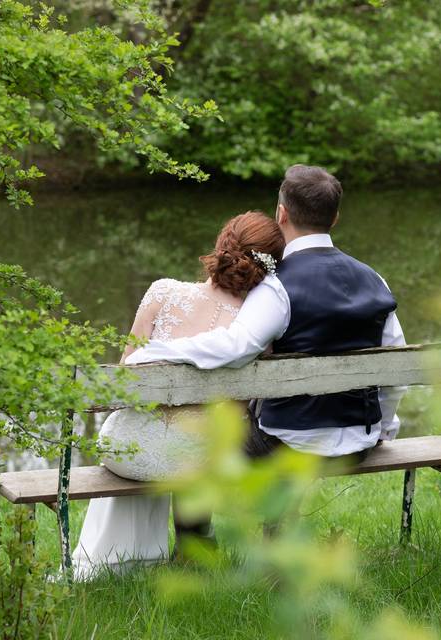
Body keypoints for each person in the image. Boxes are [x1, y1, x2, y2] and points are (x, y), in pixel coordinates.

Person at [126, 164, 406, 539]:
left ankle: (196, 554)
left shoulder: (277, 287)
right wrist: (382, 428)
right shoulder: (376, 280)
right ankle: (277, 543)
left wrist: (156, 350)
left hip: (289, 442)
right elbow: (394, 371)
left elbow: (234, 347)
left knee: (200, 443)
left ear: (282, 213)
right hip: (359, 443)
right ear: (335, 218)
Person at [71, 211, 285, 580]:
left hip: (125, 450)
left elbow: (125, 377)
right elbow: (235, 413)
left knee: (133, 427)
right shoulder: (254, 328)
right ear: (267, 269)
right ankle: (180, 552)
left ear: (221, 247)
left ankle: (111, 562)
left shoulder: (162, 291)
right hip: (192, 459)